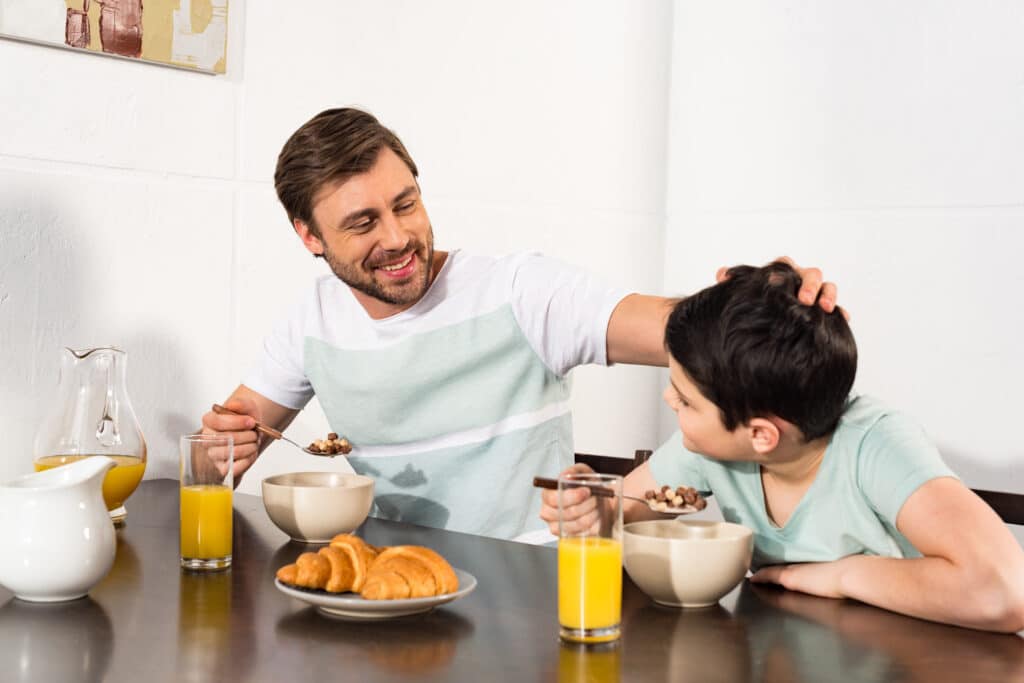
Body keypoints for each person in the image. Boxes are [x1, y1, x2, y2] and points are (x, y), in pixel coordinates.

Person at [200, 107, 837, 541]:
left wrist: (767, 298)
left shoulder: (521, 291)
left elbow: (687, 329)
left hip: (533, 588)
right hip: (392, 589)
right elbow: (217, 458)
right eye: (363, 223)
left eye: (406, 205)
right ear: (309, 235)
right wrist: (223, 447)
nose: (398, 239)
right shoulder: (310, 324)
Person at [541, 261, 1024, 632]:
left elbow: (1006, 591)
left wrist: (840, 576)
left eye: (686, 400)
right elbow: (620, 511)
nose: (670, 400)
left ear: (761, 435)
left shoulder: (876, 445)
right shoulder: (708, 447)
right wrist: (588, 505)